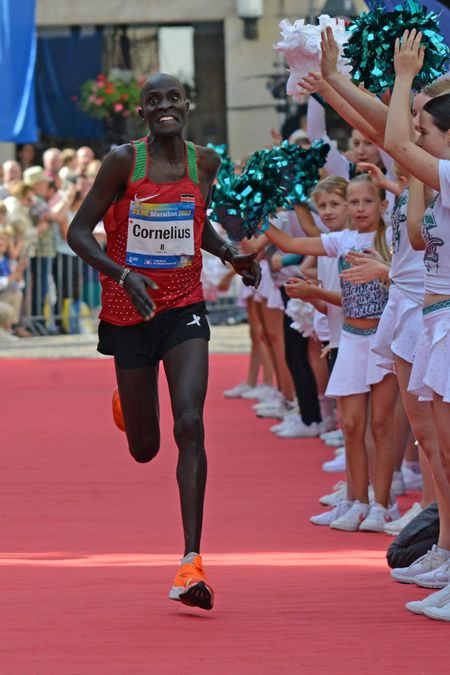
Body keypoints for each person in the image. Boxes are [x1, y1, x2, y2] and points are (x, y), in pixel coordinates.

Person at [68, 73, 261, 611]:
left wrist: (231, 255)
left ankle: (191, 560)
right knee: (145, 448)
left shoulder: (207, 163)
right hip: (128, 314)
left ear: (186, 104)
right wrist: (122, 272)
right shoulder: (122, 163)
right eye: (153, 100)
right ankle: (128, 404)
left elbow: (197, 226)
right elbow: (78, 232)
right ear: (142, 112)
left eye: (172, 97)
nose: (164, 106)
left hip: (183, 309)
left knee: (191, 422)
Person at [260, 174, 400, 532]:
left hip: (382, 341)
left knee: (380, 425)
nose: (360, 208)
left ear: (383, 205)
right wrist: (252, 215)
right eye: (354, 202)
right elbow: (290, 242)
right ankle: (357, 500)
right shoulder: (343, 239)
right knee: (350, 426)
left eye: (367, 201)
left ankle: (383, 504)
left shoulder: (392, 239)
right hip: (351, 338)